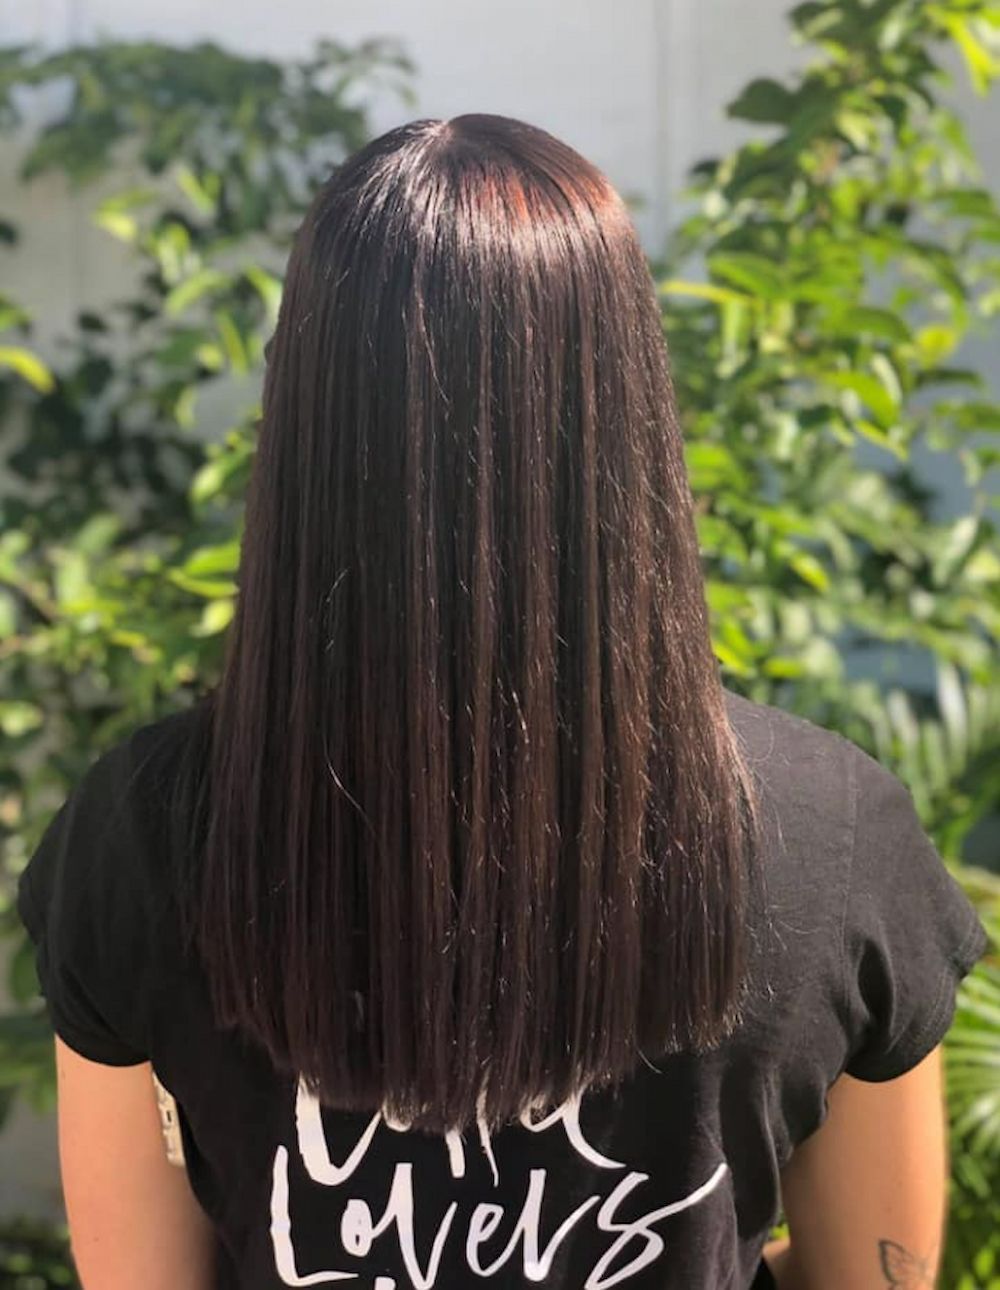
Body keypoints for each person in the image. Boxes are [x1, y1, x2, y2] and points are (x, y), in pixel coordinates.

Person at [15, 113, 990, 1290]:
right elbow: (875, 1274)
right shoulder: (830, 835)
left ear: (308, 417)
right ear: (627, 403)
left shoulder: (146, 835)